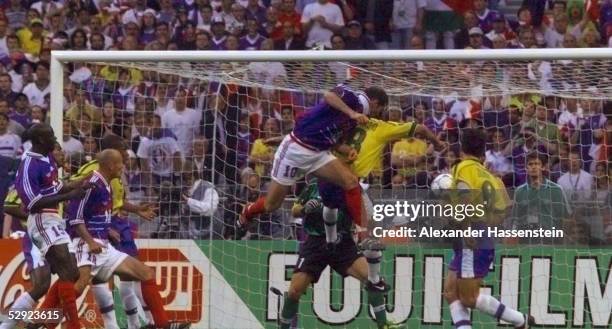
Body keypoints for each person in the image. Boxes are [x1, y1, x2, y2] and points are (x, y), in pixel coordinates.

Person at [54, 149, 190, 329]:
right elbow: (75, 217)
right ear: (111, 165)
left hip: (104, 246)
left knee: (145, 273)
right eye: (120, 163)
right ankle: (46, 320)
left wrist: (117, 222)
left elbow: (100, 213)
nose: (123, 166)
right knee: (75, 288)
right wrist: (90, 241)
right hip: (87, 245)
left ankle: (162, 325)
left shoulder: (108, 183)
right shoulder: (91, 183)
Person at [239, 85, 374, 236]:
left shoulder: (350, 121)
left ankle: (362, 234)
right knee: (272, 205)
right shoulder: (350, 99)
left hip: (317, 154)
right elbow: (329, 95)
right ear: (375, 103)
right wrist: (352, 112)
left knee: (351, 182)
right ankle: (248, 211)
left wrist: (348, 150)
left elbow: (326, 138)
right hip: (294, 153)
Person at [279, 179, 401, 329]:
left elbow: (366, 215)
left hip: (343, 241)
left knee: (371, 279)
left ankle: (383, 325)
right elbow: (294, 209)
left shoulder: (351, 189)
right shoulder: (313, 185)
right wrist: (304, 209)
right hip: (315, 242)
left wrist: (368, 234)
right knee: (294, 291)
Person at [444, 128, 534, 329]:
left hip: (470, 236)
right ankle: (521, 321)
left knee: (469, 298)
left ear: (461, 150)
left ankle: (520, 320)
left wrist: (468, 227)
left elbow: (465, 195)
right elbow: (506, 208)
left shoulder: (463, 167)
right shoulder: (492, 178)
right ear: (483, 152)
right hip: (478, 235)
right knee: (450, 292)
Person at [71, 134, 158, 329]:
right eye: (122, 153)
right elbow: (74, 198)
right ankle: (40, 318)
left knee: (135, 274)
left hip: (114, 227)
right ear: (110, 156)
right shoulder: (92, 173)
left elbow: (115, 203)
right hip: (89, 236)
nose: (126, 159)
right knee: (82, 283)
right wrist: (104, 227)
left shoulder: (114, 176)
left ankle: (140, 324)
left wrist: (137, 209)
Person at [14, 124, 89, 329]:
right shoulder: (29, 164)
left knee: (72, 273)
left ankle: (36, 323)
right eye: (51, 137)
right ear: (40, 141)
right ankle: (72, 325)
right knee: (44, 283)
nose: (55, 141)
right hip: (40, 220)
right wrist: (69, 196)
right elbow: (30, 203)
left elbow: (55, 188)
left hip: (54, 220)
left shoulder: (48, 160)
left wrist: (79, 186)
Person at [0, 188, 50, 329]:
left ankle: (39, 323)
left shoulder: (56, 181)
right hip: (35, 236)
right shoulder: (27, 178)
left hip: (55, 235)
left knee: (69, 276)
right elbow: (9, 206)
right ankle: (6, 326)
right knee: (41, 285)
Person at [511, 152, 572, 241]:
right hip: (526, 241)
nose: (534, 167)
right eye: (530, 164)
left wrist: (561, 239)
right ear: (526, 168)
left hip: (551, 241)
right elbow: (515, 219)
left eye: (537, 164)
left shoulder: (556, 189)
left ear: (543, 167)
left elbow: (566, 218)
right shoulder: (519, 191)